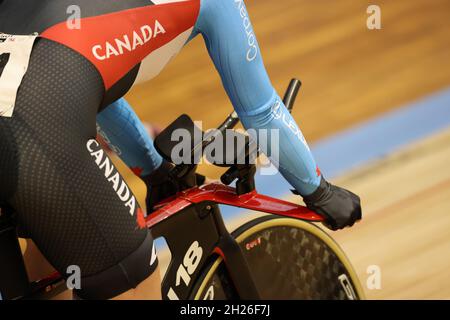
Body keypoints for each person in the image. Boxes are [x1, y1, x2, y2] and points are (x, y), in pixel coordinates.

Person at [0, 0, 361, 300]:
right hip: (35, 127)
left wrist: (155, 171)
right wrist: (320, 191)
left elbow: (94, 94)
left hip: (23, 117)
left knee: (52, 264)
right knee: (134, 279)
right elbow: (261, 111)